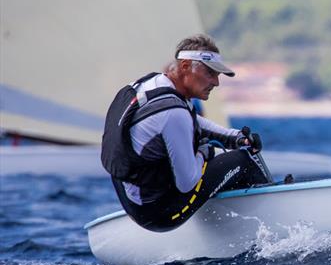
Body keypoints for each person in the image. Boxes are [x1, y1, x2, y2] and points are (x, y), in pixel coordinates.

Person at [101, 34, 271, 232]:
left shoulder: (152, 84)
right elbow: (187, 183)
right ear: (184, 66)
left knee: (228, 154)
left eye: (217, 75)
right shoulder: (173, 114)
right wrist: (204, 153)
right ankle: (273, 213)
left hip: (134, 200)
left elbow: (191, 121)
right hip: (160, 214)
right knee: (245, 158)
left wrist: (234, 137)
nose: (216, 82)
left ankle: (239, 216)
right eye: (210, 73)